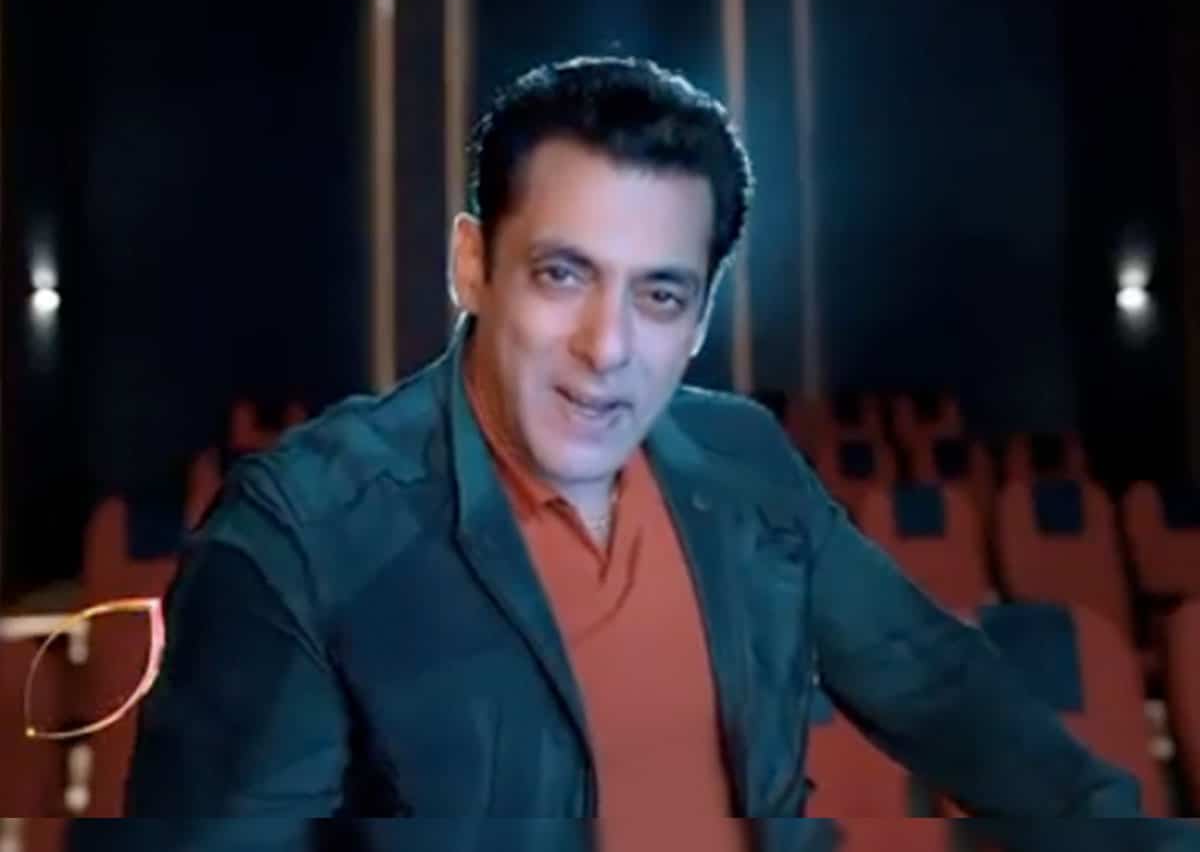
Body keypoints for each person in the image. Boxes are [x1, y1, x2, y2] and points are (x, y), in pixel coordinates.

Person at [83, 56, 1198, 852]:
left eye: (658, 295)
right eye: (562, 274)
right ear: (471, 266)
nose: (607, 347)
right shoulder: (300, 532)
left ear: (701, 315)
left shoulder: (742, 458)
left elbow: (942, 687)